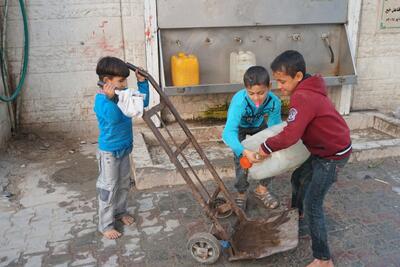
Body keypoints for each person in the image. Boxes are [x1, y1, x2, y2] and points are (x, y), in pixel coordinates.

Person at [257, 50, 352, 267]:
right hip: (321, 151)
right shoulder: (307, 88)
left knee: (313, 203)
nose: (279, 86)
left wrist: (265, 147)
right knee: (298, 177)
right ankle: (297, 217)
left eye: (282, 81)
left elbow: (291, 135)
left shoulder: (303, 96)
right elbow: (295, 126)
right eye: (277, 81)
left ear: (298, 76)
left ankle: (323, 259)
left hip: (332, 157)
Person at [94, 56, 149, 239]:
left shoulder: (123, 94)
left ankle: (120, 212)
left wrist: (142, 84)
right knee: (109, 187)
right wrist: (112, 100)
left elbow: (142, 104)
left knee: (124, 184)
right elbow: (114, 118)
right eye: (121, 80)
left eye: (125, 79)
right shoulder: (102, 100)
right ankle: (106, 225)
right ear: (107, 82)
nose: (125, 84)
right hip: (109, 152)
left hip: (125, 147)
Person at [222, 66, 282, 210]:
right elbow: (228, 132)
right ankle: (241, 192)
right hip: (240, 128)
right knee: (242, 161)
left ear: (269, 87)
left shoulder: (275, 102)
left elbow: (274, 129)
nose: (256, 98)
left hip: (259, 124)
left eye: (261, 93)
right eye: (251, 93)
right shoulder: (239, 101)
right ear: (245, 89)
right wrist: (244, 151)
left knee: (271, 155)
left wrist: (269, 147)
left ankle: (262, 189)